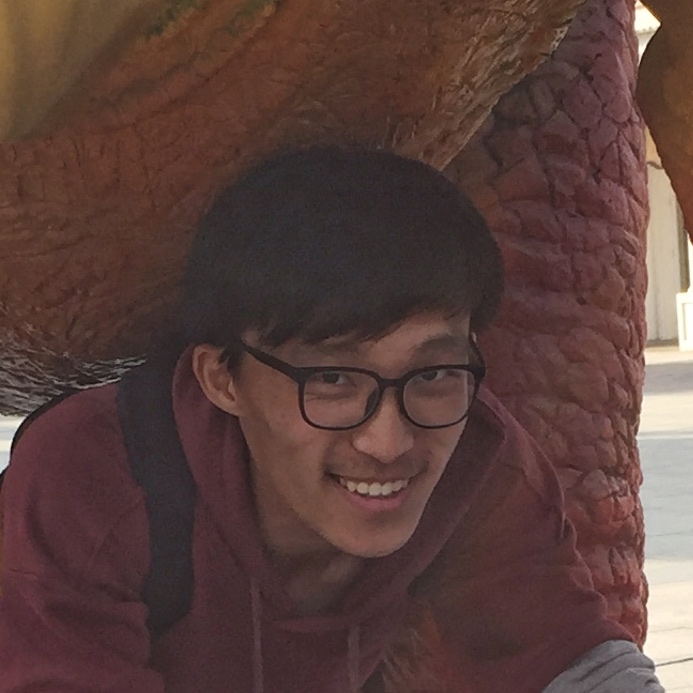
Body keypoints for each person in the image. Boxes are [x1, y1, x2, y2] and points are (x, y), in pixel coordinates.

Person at [0, 147, 663, 692]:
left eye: (432, 371)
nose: (388, 441)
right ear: (221, 378)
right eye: (333, 380)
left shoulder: (476, 456)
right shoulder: (88, 483)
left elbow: (571, 659)